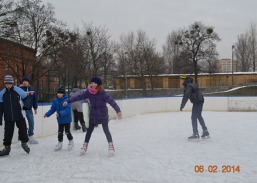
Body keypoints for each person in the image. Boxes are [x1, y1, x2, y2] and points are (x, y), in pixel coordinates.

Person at [63, 76, 122, 155]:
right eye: (91, 83)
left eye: (94, 83)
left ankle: (111, 146)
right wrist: (68, 101)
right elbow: (79, 97)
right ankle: (85, 145)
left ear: (98, 84)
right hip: (93, 114)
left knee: (106, 130)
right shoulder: (88, 92)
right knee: (89, 131)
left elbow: (111, 101)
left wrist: (118, 110)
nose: (92, 84)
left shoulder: (103, 93)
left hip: (103, 114)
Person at [0, 75, 30, 156]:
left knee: (23, 128)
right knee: (8, 133)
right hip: (8, 116)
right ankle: (7, 148)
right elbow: (0, 107)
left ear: (12, 83)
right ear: (5, 84)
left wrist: (26, 106)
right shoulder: (2, 93)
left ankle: (24, 143)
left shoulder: (18, 90)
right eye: (7, 84)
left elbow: (26, 98)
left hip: (18, 114)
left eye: (10, 84)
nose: (8, 85)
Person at [44, 86, 74, 151]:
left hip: (67, 119)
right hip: (60, 120)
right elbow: (52, 109)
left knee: (67, 132)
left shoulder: (67, 100)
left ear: (63, 94)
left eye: (60, 93)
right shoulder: (55, 101)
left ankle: (71, 141)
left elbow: (67, 110)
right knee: (60, 132)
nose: (59, 94)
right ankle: (60, 143)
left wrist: (60, 113)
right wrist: (47, 114)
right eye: (58, 93)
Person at [179, 74, 210, 139]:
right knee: (198, 116)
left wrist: (182, 106)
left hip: (197, 101)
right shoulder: (190, 84)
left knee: (193, 117)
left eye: (181, 79)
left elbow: (186, 96)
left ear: (183, 79)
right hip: (199, 100)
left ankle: (195, 133)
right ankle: (205, 131)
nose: (180, 81)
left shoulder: (188, 86)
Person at [20, 76, 39, 144]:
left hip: (29, 110)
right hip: (22, 110)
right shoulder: (20, 89)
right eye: (23, 81)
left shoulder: (32, 89)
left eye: (26, 81)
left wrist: (35, 108)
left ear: (28, 82)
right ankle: (21, 138)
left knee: (31, 123)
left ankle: (30, 136)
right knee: (21, 124)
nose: (24, 82)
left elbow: (34, 99)